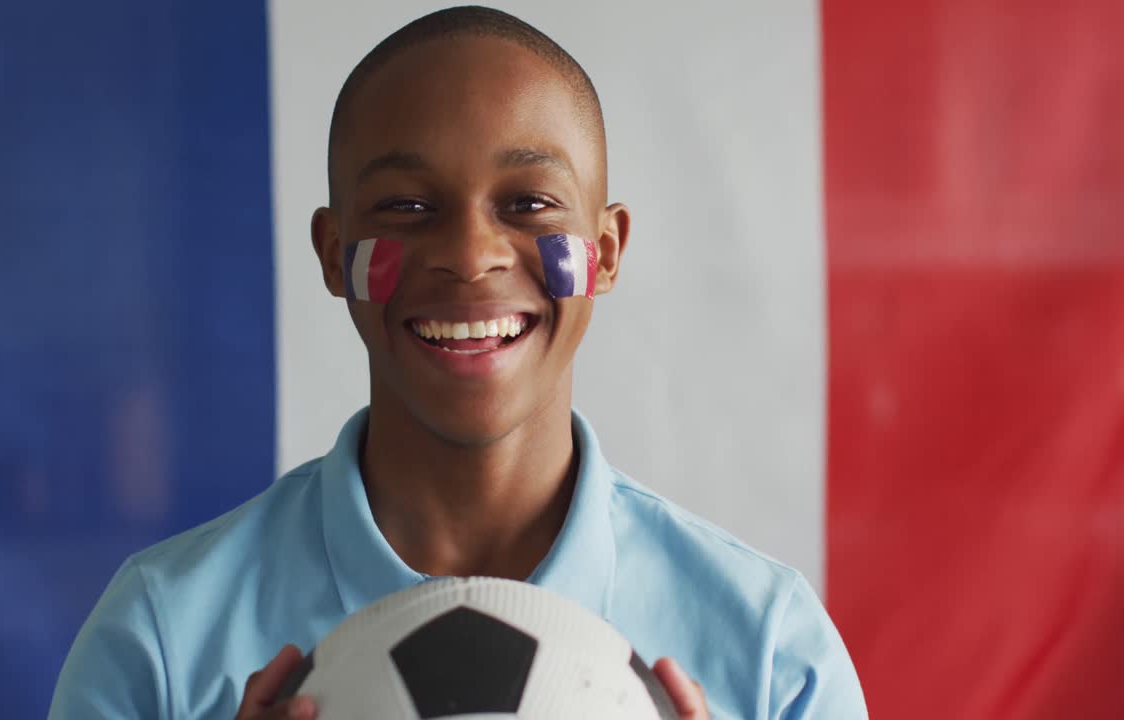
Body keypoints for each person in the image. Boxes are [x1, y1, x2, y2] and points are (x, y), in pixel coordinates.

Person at [49, 6, 867, 719]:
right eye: (407, 207)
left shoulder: (768, 651)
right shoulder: (162, 637)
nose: (471, 255)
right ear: (335, 256)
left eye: (528, 204)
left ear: (607, 251)